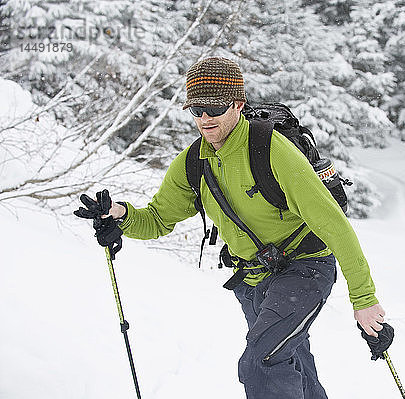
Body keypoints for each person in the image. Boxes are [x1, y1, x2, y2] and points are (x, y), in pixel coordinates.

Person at [75, 57, 387, 398]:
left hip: (305, 269)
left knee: (262, 362)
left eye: (214, 107)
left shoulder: (273, 151)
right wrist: (120, 215)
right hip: (252, 281)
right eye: (196, 109)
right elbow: (157, 219)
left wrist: (364, 300)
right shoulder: (193, 162)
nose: (205, 118)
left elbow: (335, 226)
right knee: (291, 362)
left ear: (237, 104)